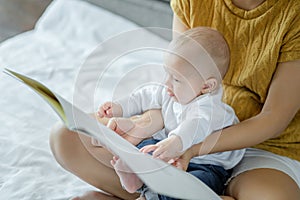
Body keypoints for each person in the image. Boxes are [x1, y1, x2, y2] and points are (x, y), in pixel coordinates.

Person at [49, 0, 300, 199]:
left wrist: (190, 148)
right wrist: (144, 122)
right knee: (67, 138)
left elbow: (273, 119)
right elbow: (171, 85)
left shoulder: (293, 13)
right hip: (178, 130)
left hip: (264, 146)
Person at [94, 27, 244, 199]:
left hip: (205, 164)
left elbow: (195, 125)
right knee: (144, 149)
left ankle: (150, 191)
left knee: (193, 187)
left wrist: (176, 141)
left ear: (206, 86)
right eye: (167, 74)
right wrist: (119, 107)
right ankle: (136, 177)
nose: (167, 83)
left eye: (176, 79)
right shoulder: (170, 91)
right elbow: (143, 96)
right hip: (169, 151)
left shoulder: (210, 108)